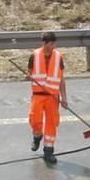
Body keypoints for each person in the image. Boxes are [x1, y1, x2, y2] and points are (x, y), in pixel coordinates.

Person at [28, 30, 66, 164]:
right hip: (38, 95)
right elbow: (29, 73)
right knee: (35, 120)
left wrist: (64, 98)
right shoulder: (34, 55)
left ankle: (49, 151)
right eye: (48, 44)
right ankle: (37, 136)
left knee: (51, 123)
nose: (51, 46)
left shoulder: (58, 57)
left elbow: (61, 79)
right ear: (44, 43)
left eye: (52, 44)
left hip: (52, 97)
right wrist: (28, 77)